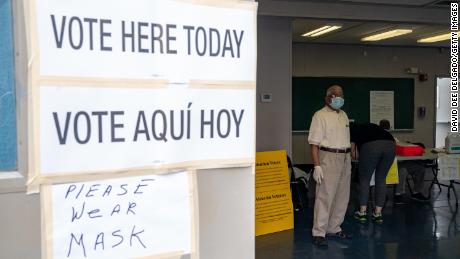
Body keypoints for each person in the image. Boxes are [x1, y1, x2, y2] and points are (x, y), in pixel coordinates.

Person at [308, 85, 352, 247]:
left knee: (342, 195)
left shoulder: (344, 115)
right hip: (328, 156)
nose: (338, 98)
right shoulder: (320, 115)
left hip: (345, 157)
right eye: (335, 95)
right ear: (327, 98)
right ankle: (319, 231)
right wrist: (317, 166)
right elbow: (314, 144)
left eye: (341, 95)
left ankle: (334, 227)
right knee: (325, 195)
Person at [350, 122, 396, 224]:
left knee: (364, 179)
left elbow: (354, 155)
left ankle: (362, 213)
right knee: (381, 179)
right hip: (391, 144)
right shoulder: (372, 126)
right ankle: (378, 214)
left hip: (372, 146)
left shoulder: (352, 130)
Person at [378, 120, 430, 203]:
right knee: (403, 170)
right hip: (389, 164)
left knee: (420, 169)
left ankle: (416, 192)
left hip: (401, 162)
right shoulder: (378, 138)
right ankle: (398, 194)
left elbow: (400, 146)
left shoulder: (392, 138)